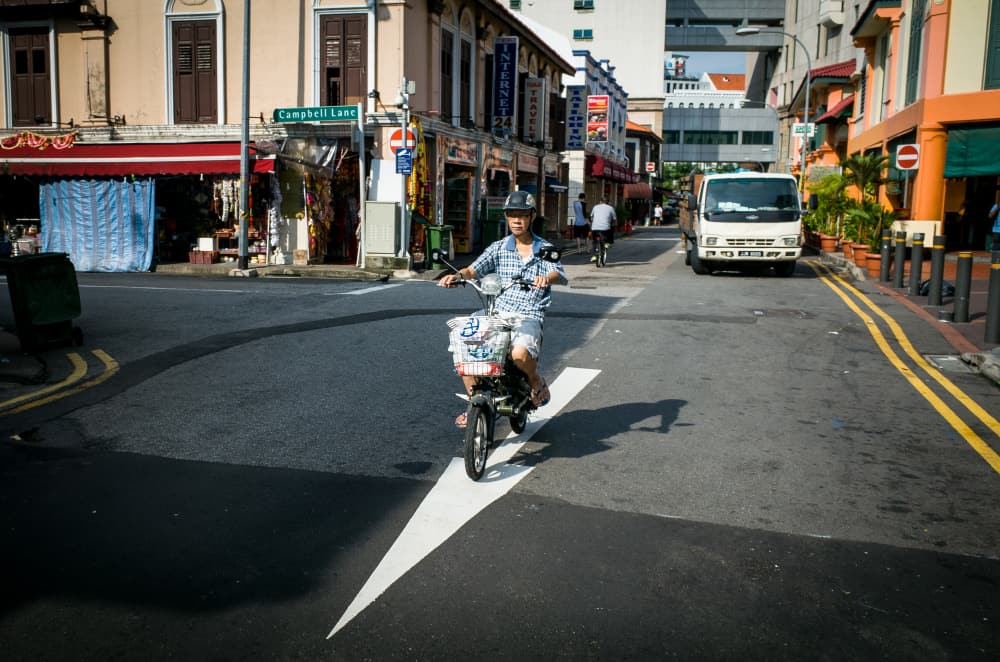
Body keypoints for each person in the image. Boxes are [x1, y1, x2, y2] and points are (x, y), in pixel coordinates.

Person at [439, 190, 568, 428]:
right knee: (465, 344)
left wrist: (546, 278)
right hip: (496, 312)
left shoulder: (544, 247)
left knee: (519, 354)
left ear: (532, 217)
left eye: (522, 215)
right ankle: (473, 402)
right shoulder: (498, 247)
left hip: (528, 313)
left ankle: (534, 379)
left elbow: (558, 273)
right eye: (512, 216)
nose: (517, 221)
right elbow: (473, 269)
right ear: (506, 218)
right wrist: (456, 276)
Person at [589, 196, 617, 262]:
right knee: (611, 229)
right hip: (605, 228)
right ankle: (607, 243)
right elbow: (615, 219)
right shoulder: (610, 208)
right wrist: (613, 224)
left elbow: (591, 217)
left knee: (595, 241)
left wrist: (593, 222)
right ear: (607, 202)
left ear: (600, 201)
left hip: (595, 228)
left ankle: (593, 256)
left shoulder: (595, 207)